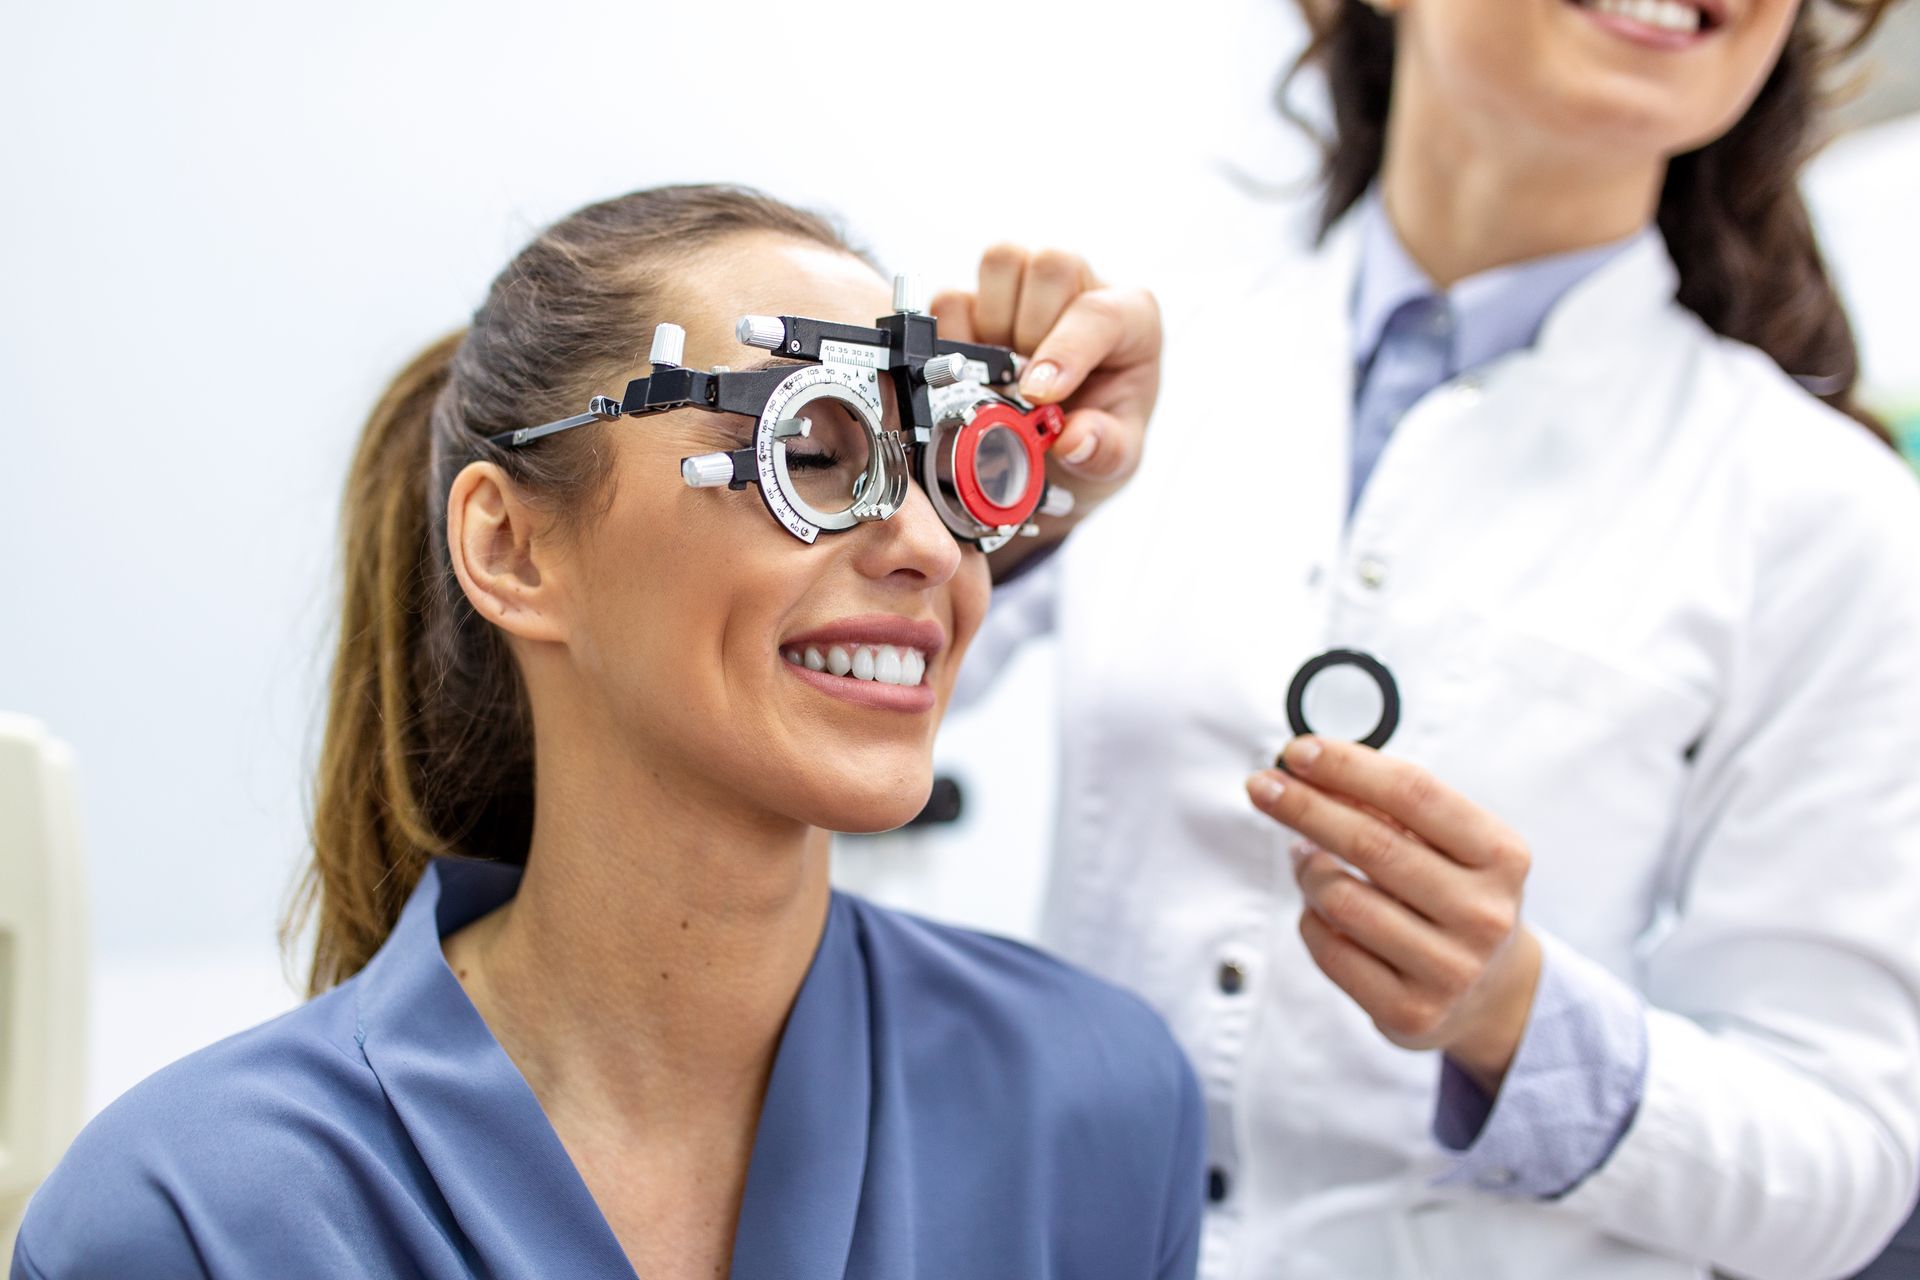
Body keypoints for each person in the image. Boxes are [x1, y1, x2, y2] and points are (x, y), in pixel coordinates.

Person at [10, 185, 1204, 1280]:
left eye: (950, 471)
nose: (933, 552)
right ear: (511, 548)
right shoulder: (192, 1220)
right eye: (808, 449)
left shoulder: (1093, 1107)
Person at [934, 0, 1920, 1275]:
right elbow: (759, 725)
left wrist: (1513, 1011)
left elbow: (1841, 1168)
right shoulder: (1137, 377)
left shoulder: (1831, 517)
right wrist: (975, 495)